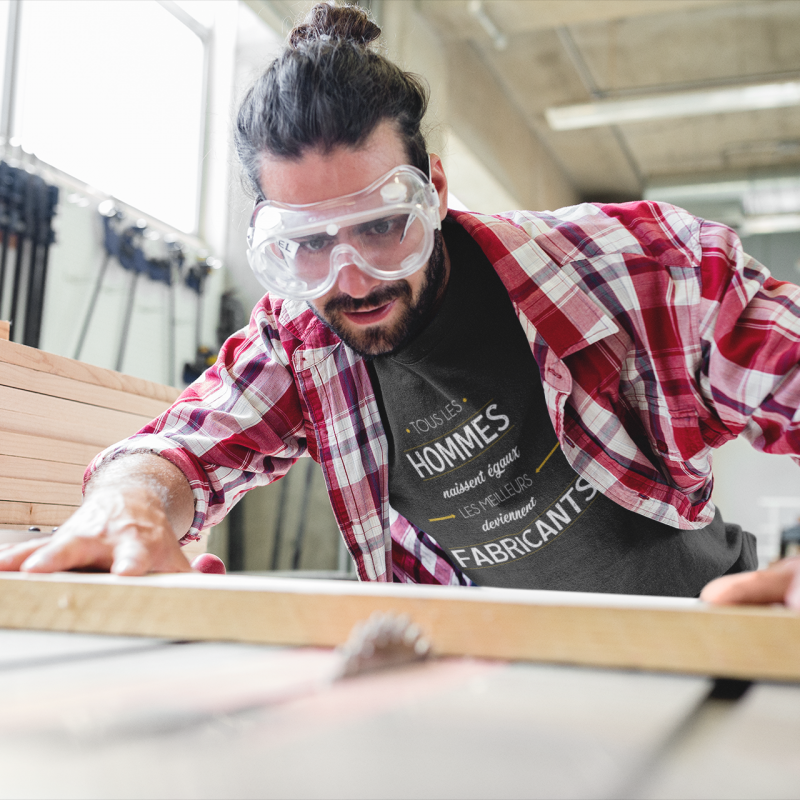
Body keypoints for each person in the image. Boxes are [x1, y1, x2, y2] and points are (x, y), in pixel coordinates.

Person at [1, 4, 798, 607]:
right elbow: (186, 445)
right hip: (507, 688)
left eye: (381, 226)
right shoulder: (302, 342)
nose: (351, 279)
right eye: (308, 243)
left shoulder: (638, 269)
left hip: (706, 637)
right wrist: (129, 503)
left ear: (435, 191)